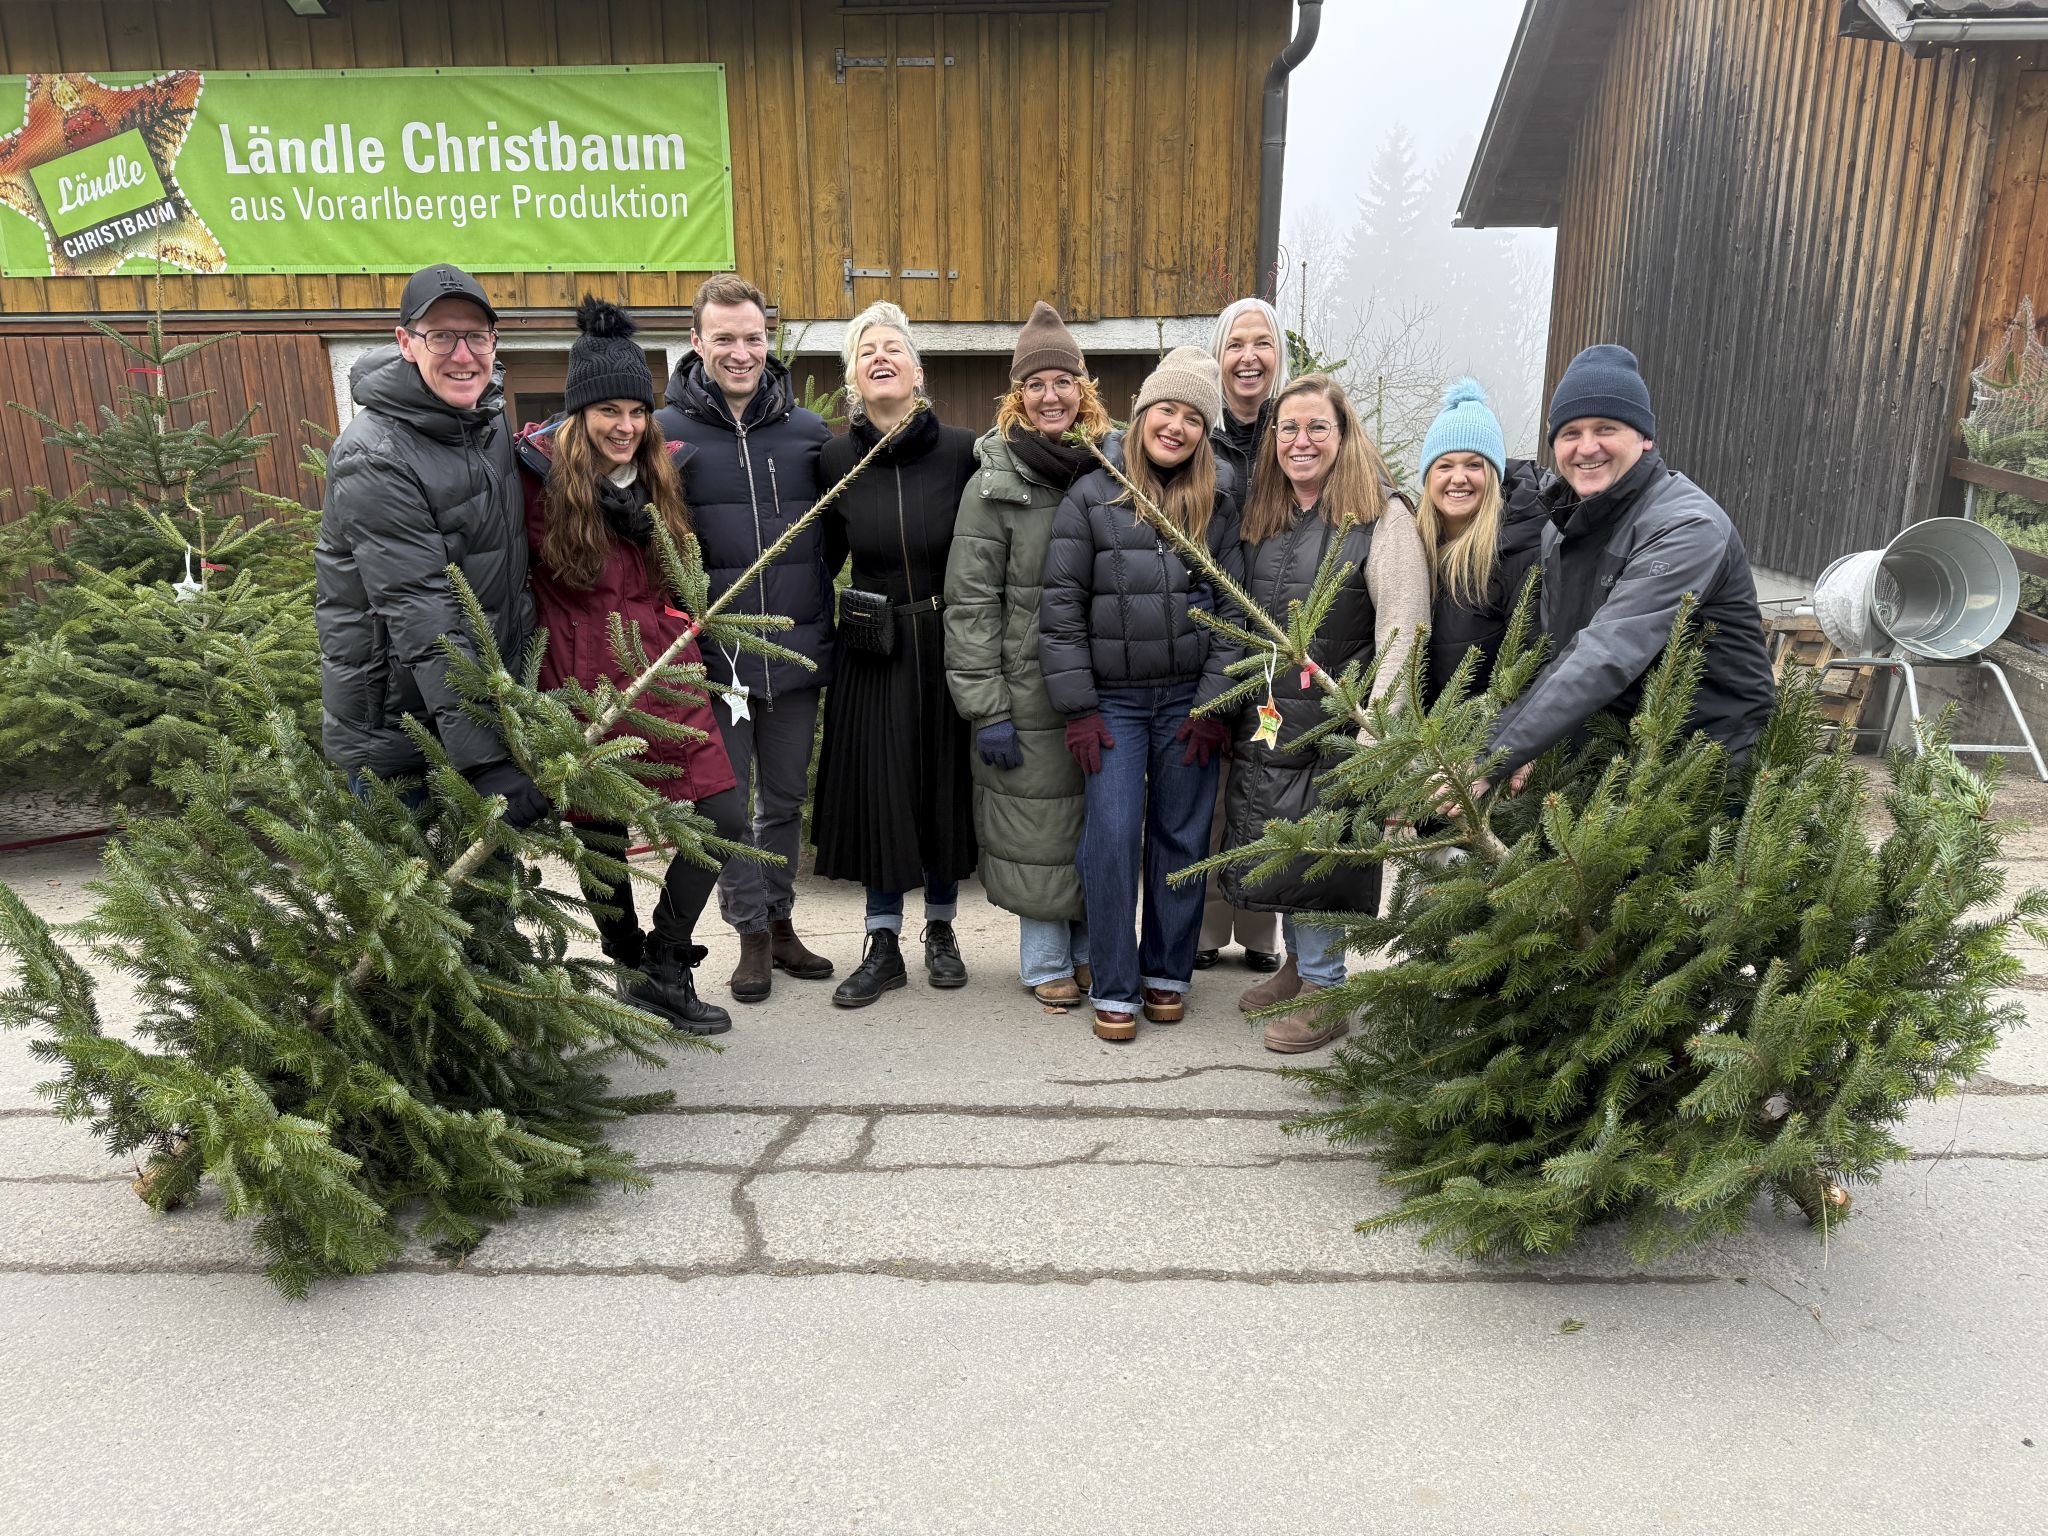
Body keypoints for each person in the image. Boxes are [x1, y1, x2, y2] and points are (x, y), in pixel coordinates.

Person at [512, 296, 744, 1036]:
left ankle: (668, 961)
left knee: (722, 815)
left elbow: (684, 577)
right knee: (600, 832)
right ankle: (628, 961)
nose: (625, 426)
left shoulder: (662, 477)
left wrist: (691, 639)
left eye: (637, 411)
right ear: (579, 415)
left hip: (664, 672)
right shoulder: (533, 480)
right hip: (581, 677)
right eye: (607, 410)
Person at [1218, 375, 1430, 1054]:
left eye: (1317, 428)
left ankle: (1330, 986)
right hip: (1276, 716)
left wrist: (1379, 729)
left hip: (1341, 725)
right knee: (1286, 846)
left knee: (1323, 856)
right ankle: (1300, 966)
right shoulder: (1269, 519)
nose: (1300, 441)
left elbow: (1404, 626)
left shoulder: (1381, 518)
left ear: (1344, 436)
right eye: (1288, 428)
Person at [1039, 347, 1244, 1042]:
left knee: (1182, 837)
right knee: (1113, 836)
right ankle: (1116, 981)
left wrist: (1215, 705)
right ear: (1142, 413)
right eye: (1167, 410)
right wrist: (1080, 708)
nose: (1177, 427)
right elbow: (1061, 605)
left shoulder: (1216, 502)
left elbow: (1234, 609)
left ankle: (1167, 973)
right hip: (1115, 706)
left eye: (1193, 418)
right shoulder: (1093, 491)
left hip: (1187, 698)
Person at [1471, 345, 1776, 799]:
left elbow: (1607, 652)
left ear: (1644, 437)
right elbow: (1565, 655)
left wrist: (1493, 756)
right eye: (1570, 432)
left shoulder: (1686, 526)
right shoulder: (1563, 530)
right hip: (1615, 758)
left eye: (1606, 428)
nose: (1587, 447)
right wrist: (1520, 744)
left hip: (1703, 763)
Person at [654, 273, 836, 1004]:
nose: (740, 351)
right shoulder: (667, 432)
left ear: (771, 340)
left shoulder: (806, 433)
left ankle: (784, 921)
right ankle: (750, 934)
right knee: (727, 805)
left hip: (794, 651)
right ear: (697, 342)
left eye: (752, 337)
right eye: (723, 337)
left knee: (784, 799)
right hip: (713, 661)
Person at [317, 264, 539, 823]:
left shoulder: (483, 421)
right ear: (406, 343)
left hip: (471, 713)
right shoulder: (374, 454)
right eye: (441, 336)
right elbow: (423, 610)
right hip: (400, 736)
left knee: (490, 903)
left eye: (477, 336)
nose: (463, 355)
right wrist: (486, 759)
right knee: (423, 906)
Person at [811, 303, 980, 1007]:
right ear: (853, 376)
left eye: (893, 348)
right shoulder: (834, 458)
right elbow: (818, 562)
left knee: (942, 784)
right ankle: (882, 941)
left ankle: (940, 928)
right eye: (865, 350)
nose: (880, 357)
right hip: (871, 648)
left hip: (945, 641)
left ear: (917, 371)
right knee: (882, 790)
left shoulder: (964, 450)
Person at [944, 302, 1109, 1008]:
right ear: (1018, 396)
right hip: (1025, 691)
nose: (1051, 397)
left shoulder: (1111, 467)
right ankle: (1045, 960)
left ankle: (1085, 951)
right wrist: (986, 710)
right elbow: (971, 604)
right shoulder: (993, 482)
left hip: (1104, 683)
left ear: (1084, 389)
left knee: (1091, 822)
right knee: (1038, 824)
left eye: (1062, 382)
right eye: (1035, 385)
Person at [1194, 297, 1291, 974]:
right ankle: (1202, 927)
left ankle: (1259, 930)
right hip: (1209, 627)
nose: (1249, 356)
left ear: (1278, 355)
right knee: (1208, 781)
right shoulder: (1201, 433)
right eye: (1236, 344)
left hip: (1284, 636)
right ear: (1219, 356)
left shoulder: (1298, 430)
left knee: (1266, 776)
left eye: (1262, 343)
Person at [1411, 379, 1549, 705]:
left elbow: (1531, 667)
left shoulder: (1520, 552)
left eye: (1474, 465)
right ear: (1428, 476)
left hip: (1477, 747)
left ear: (1493, 474)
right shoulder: (1411, 545)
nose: (1458, 478)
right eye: (1444, 465)